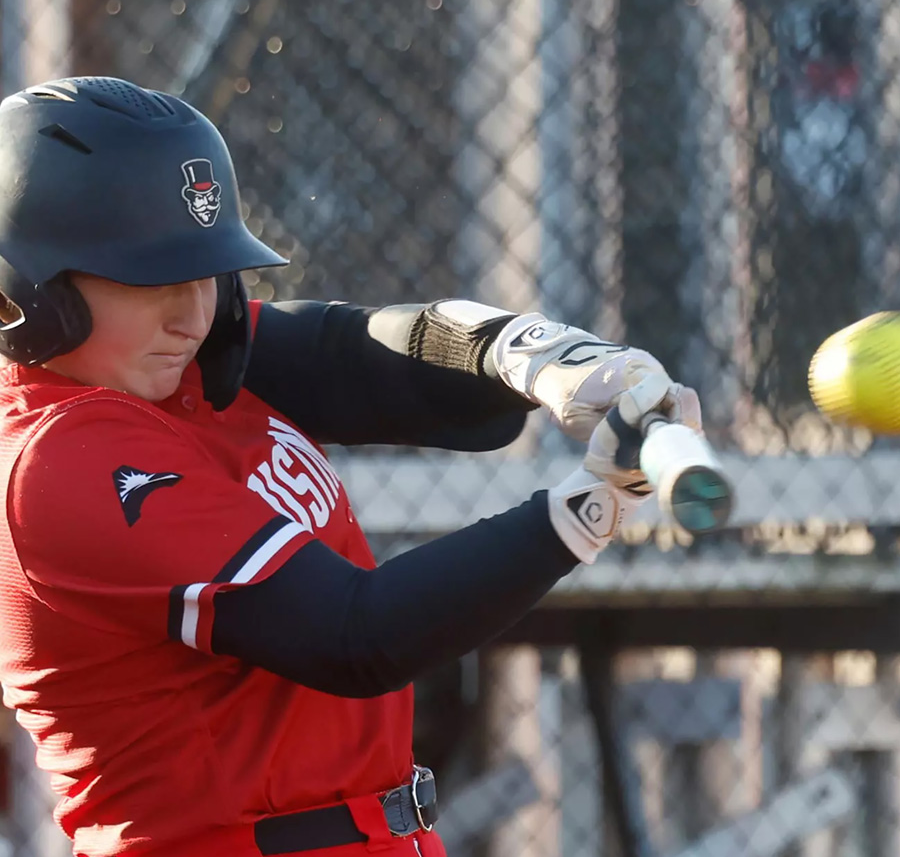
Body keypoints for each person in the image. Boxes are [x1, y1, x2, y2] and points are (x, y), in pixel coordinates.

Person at [0, 77, 701, 857]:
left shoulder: (171, 361)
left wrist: (535, 355)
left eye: (203, 271)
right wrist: (585, 508)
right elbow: (355, 634)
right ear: (32, 291)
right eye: (151, 279)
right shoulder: (58, 460)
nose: (191, 313)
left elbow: (365, 358)